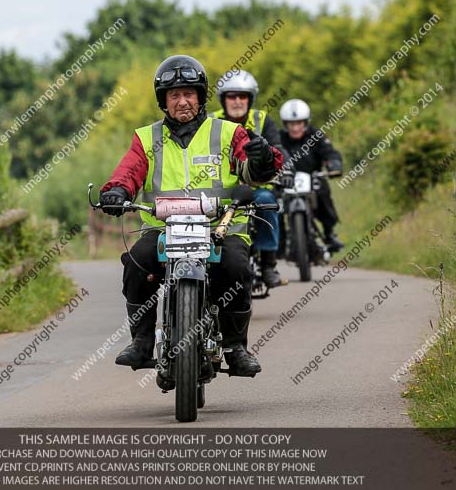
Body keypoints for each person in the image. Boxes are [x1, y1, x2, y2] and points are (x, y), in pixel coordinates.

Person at [99, 55, 283, 378]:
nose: (182, 101)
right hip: (162, 231)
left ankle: (235, 347)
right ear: (164, 101)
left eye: (189, 93)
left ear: (200, 97)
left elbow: (257, 171)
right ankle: (142, 341)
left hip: (220, 229)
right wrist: (116, 192)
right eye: (174, 95)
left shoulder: (229, 133)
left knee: (236, 267)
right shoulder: (147, 138)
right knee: (136, 264)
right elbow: (128, 172)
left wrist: (263, 157)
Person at [209, 70, 288, 288]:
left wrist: (287, 171)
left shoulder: (262, 120)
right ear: (223, 99)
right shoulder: (211, 121)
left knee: (267, 202)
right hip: (222, 189)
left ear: (250, 98)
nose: (237, 101)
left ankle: (268, 264)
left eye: (242, 96)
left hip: (257, 186)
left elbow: (278, 150)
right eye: (231, 96)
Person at [279, 99, 344, 252]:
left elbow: (329, 152)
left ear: (306, 122)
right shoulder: (278, 138)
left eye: (299, 123)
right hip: (285, 180)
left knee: (323, 192)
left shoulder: (316, 135)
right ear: (285, 124)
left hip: (312, 178)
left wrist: (334, 163)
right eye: (291, 124)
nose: (295, 128)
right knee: (272, 203)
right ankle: (278, 240)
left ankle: (329, 233)